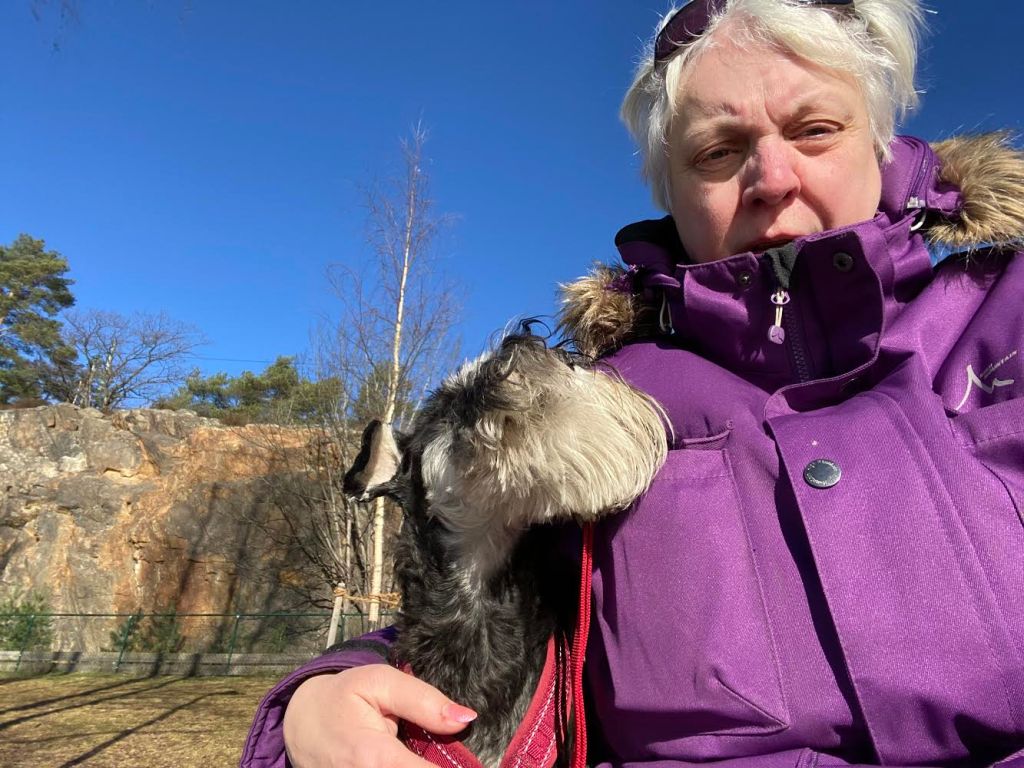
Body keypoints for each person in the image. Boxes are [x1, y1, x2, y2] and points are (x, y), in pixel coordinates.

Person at [241, 0, 1024, 766]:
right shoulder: (598, 410)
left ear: (881, 144)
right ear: (670, 191)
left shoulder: (1006, 315)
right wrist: (323, 697)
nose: (772, 177)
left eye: (815, 129)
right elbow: (477, 605)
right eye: (717, 151)